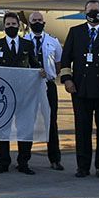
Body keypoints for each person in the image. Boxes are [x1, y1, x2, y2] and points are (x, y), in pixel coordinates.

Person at [59, 0, 99, 179]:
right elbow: (66, 60)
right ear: (84, 12)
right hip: (81, 90)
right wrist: (67, 80)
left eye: (97, 10)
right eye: (90, 10)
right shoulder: (75, 32)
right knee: (82, 129)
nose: (93, 13)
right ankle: (83, 166)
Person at [0, 12, 43, 175]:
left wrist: (40, 71)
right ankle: (3, 162)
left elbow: (34, 63)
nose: (11, 27)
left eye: (14, 24)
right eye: (8, 25)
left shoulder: (27, 45)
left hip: (24, 94)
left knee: (24, 128)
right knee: (4, 129)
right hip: (3, 95)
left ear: (19, 26)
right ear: (4, 27)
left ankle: (23, 162)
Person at [27, 11, 64, 171]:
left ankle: (55, 158)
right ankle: (24, 159)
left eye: (39, 20)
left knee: (51, 121)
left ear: (44, 22)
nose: (37, 22)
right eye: (34, 20)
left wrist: (49, 75)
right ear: (29, 23)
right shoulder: (24, 41)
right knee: (27, 121)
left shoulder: (53, 41)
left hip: (48, 85)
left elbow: (58, 64)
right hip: (29, 87)